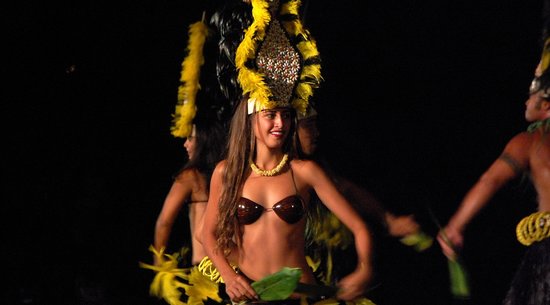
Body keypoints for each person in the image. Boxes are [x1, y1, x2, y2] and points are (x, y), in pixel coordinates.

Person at [200, 0, 374, 303]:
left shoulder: (303, 172)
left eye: (286, 115)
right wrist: (230, 276)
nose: (280, 123)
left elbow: (359, 227)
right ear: (252, 120)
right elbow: (208, 235)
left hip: (301, 296)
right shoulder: (227, 172)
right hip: (251, 296)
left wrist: (364, 269)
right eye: (271, 115)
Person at [437, 59, 550, 304]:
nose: (526, 101)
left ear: (547, 106)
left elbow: (490, 180)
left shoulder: (530, 142)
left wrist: (456, 225)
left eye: (532, 95)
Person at [153, 120, 226, 266]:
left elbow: (164, 222)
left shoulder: (190, 176)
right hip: (228, 267)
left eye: (190, 138)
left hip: (203, 270)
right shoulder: (229, 173)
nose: (185, 144)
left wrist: (158, 264)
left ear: (205, 141)